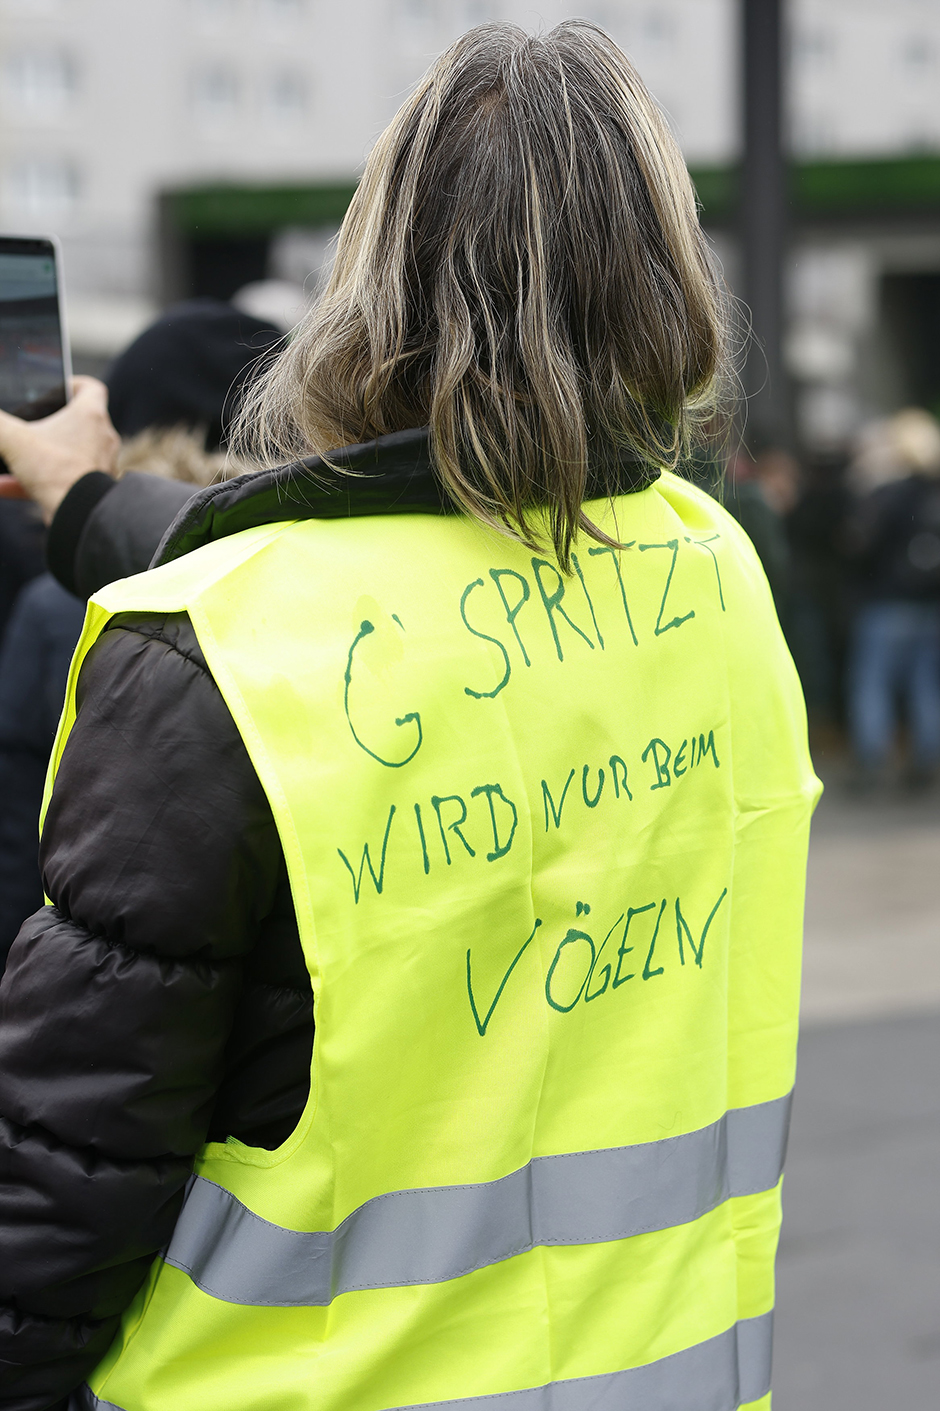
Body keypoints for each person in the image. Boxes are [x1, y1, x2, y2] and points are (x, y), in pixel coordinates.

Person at [0, 22, 820, 1411]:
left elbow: (61, 1183)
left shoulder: (216, 647)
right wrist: (87, 500)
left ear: (371, 276)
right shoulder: (711, 571)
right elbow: (374, 572)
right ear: (664, 279)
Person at [843, 407, 940, 787]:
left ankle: (873, 761)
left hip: (886, 602)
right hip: (928, 604)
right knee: (924, 683)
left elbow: (860, 544)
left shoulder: (886, 493)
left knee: (872, 683)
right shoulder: (933, 492)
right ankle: (926, 760)